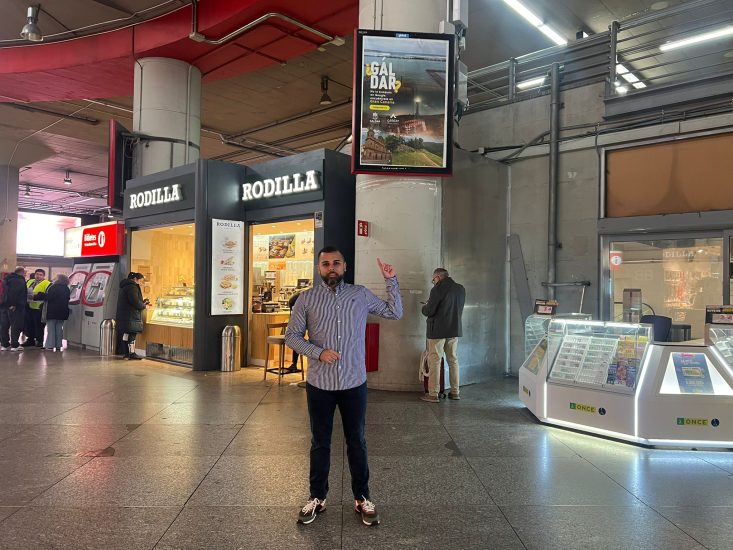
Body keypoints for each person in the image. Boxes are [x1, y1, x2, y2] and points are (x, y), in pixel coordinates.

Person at [285, 247, 402, 527]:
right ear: (319, 268)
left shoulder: (360, 294)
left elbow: (394, 312)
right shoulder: (307, 299)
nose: (331, 268)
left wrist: (391, 280)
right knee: (320, 443)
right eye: (325, 264)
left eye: (336, 263)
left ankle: (362, 498)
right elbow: (292, 337)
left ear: (345, 266)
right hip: (320, 384)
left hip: (353, 382)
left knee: (357, 441)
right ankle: (317, 498)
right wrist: (318, 352)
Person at [420, 268, 466, 403]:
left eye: (433, 279)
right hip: (454, 330)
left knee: (434, 360)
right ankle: (455, 392)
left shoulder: (437, 289)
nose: (433, 282)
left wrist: (425, 306)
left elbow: (429, 310)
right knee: (453, 360)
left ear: (438, 277)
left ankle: (433, 394)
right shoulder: (460, 289)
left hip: (438, 331)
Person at [115, 272, 149, 360]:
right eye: (141, 281)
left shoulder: (124, 286)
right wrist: (144, 305)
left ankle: (127, 353)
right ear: (135, 280)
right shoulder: (132, 287)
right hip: (131, 316)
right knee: (132, 334)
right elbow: (135, 302)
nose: (141, 283)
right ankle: (132, 353)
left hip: (124, 316)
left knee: (126, 334)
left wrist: (142, 302)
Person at [0, 267, 28, 352]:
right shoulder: (18, 280)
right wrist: (14, 304)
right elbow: (14, 293)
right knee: (16, 325)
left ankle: (4, 344)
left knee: (4, 325)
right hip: (14, 306)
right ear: (22, 272)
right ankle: (14, 345)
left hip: (4, 305)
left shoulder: (7, 279)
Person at [42, 274, 71, 352]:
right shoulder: (66, 288)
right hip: (63, 311)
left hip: (52, 311)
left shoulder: (54, 287)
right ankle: (58, 345)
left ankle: (50, 345)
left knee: (51, 329)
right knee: (59, 329)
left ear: (58, 279)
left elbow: (49, 297)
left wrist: (39, 295)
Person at [22, 268, 52, 347]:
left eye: (40, 275)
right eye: (37, 274)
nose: (38, 276)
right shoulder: (30, 281)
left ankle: (39, 341)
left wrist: (38, 296)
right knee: (29, 325)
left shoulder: (47, 283)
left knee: (39, 326)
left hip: (39, 308)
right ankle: (30, 340)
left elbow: (48, 296)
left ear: (44, 276)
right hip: (28, 306)